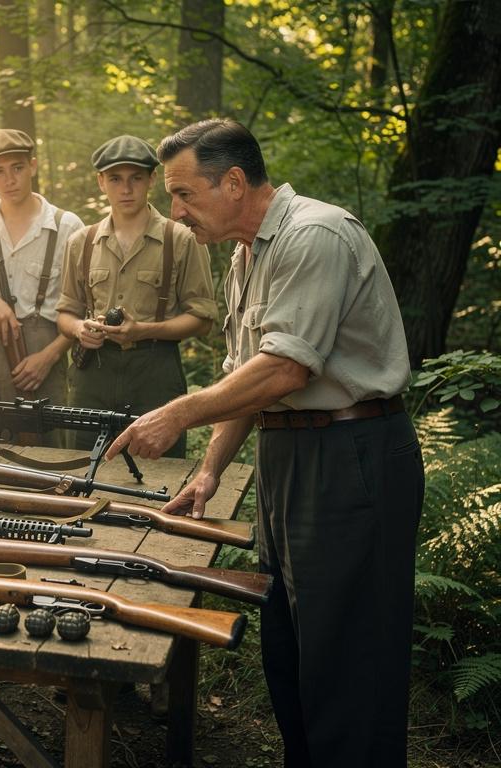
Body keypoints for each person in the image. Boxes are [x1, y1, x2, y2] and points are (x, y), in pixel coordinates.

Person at [107, 118, 424, 767]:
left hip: (352, 455)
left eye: (184, 193)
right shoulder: (247, 258)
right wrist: (210, 471)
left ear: (231, 182)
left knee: (348, 656)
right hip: (291, 458)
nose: (177, 210)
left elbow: (286, 368)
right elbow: (245, 380)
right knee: (293, 648)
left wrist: (176, 414)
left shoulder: (316, 234)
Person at [56, 135, 217, 457]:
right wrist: (79, 330)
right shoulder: (82, 242)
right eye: (115, 179)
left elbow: (202, 320)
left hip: (155, 373)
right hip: (93, 375)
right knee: (80, 468)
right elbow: (64, 313)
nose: (126, 189)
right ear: (101, 182)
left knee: (158, 473)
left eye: (136, 178)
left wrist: (144, 330)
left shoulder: (181, 239)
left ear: (152, 180)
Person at [0, 129, 82, 444]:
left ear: (33, 166)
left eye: (18, 168)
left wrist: (50, 357)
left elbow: (83, 310)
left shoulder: (68, 227)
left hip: (42, 351)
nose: (9, 179)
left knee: (46, 456)